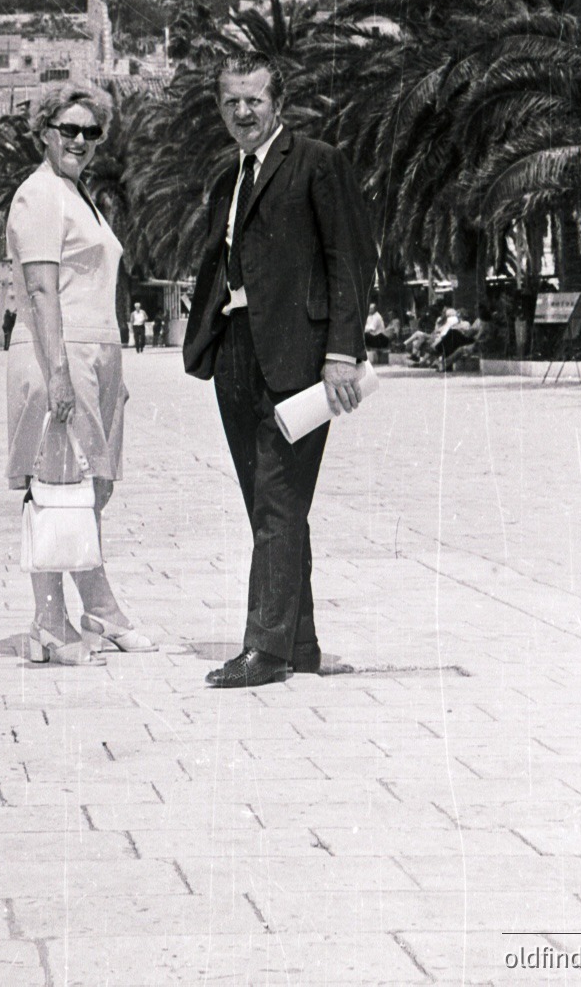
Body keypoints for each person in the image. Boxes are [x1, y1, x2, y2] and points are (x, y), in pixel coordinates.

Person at [183, 51, 378, 689]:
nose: (243, 112)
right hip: (237, 354)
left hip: (300, 359)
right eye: (231, 101)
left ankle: (264, 651)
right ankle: (299, 643)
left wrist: (342, 354)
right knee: (268, 504)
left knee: (279, 499)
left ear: (278, 102)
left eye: (254, 99)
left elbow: (350, 258)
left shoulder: (317, 162)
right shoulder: (226, 176)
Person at [5, 82, 155, 667]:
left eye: (92, 132)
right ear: (44, 132)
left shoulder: (76, 193)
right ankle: (53, 618)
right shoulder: (39, 195)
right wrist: (61, 372)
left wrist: (111, 371)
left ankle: (93, 609)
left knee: (92, 486)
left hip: (95, 353)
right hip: (57, 354)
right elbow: (41, 288)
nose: (81, 140)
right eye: (68, 129)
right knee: (59, 485)